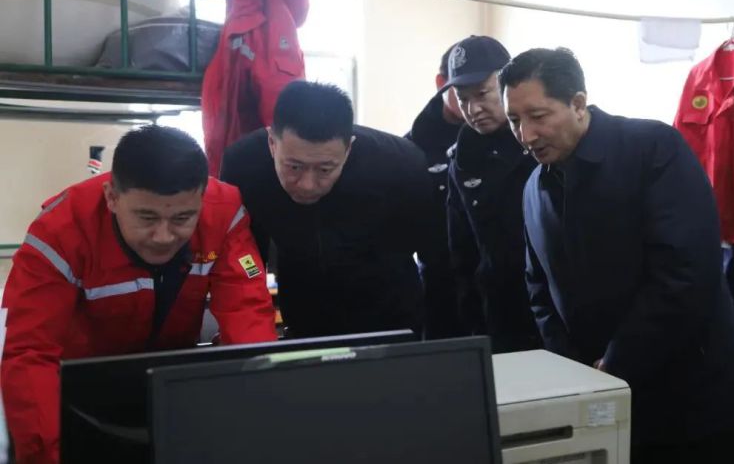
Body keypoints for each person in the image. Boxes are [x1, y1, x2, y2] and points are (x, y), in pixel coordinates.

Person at [502, 47, 734, 463]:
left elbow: (684, 271)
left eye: (538, 116)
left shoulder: (651, 148)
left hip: (694, 399)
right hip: (603, 399)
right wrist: (572, 368)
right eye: (515, 120)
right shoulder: (535, 185)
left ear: (578, 104)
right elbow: (539, 286)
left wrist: (618, 360)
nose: (526, 135)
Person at [1, 125, 277, 464]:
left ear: (202, 199)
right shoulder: (60, 231)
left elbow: (249, 324)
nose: (163, 236)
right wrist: (47, 456)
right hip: (77, 399)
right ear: (112, 197)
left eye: (182, 218)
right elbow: (29, 354)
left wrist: (260, 429)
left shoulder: (224, 213)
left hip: (175, 391)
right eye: (147, 217)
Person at [221, 81, 436, 338]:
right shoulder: (244, 165)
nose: (307, 185)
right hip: (303, 321)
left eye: (325, 169)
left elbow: (430, 255)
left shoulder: (401, 166)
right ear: (272, 144)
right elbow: (245, 263)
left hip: (392, 321)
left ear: (349, 149)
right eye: (294, 167)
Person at [444, 35, 542, 353]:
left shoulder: (541, 140)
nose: (473, 109)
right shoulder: (463, 157)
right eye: (463, 99)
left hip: (550, 311)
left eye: (483, 94)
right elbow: (461, 250)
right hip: (496, 316)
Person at [405, 43, 465, 338]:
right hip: (439, 291)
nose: (476, 104)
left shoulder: (516, 139)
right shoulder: (411, 149)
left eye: (486, 91)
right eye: (464, 90)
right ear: (442, 83)